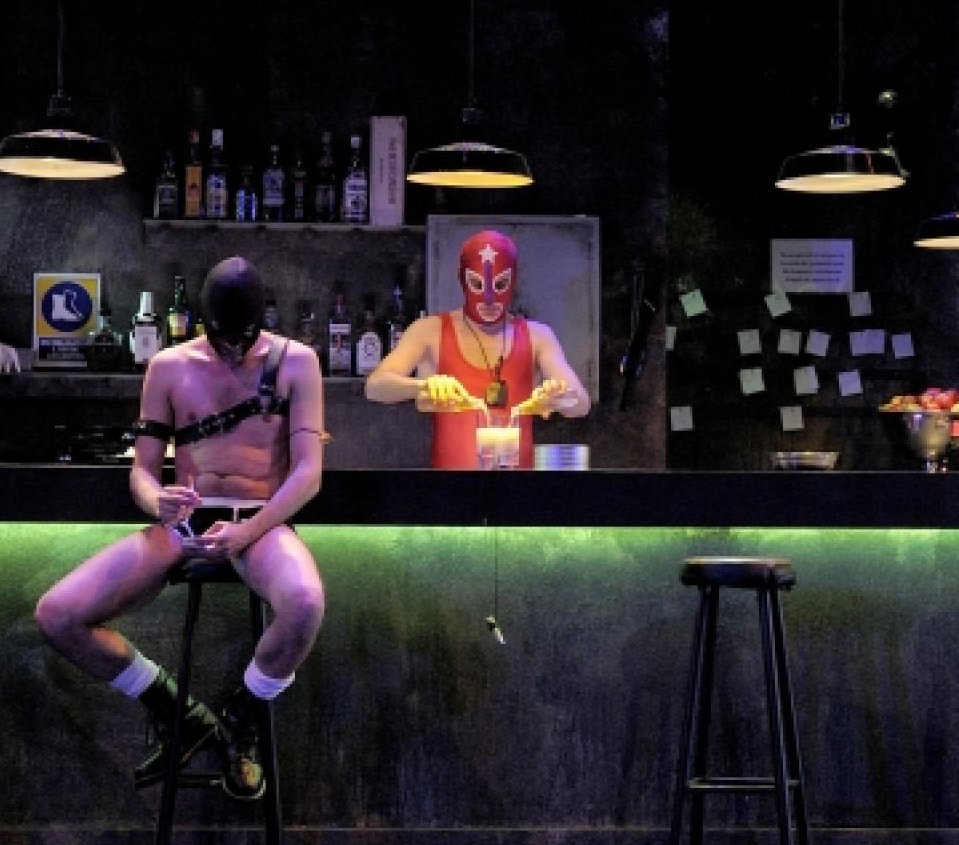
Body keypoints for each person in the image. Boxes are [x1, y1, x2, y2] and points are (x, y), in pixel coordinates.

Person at [35, 256, 325, 799]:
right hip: (187, 519)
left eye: (243, 339)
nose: (233, 350)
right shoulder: (169, 366)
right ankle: (175, 710)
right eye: (222, 338)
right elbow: (142, 472)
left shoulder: (296, 361)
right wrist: (158, 501)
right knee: (57, 614)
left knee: (306, 604)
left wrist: (247, 531)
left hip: (259, 521)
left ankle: (240, 718)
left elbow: (309, 473)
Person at [364, 230, 590, 468]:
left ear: (513, 281)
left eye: (500, 284)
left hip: (518, 487)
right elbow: (375, 386)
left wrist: (559, 397)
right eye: (477, 284)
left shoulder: (537, 335)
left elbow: (581, 405)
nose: (489, 299)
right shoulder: (430, 330)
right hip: (450, 487)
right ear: (463, 279)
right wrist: (424, 386)